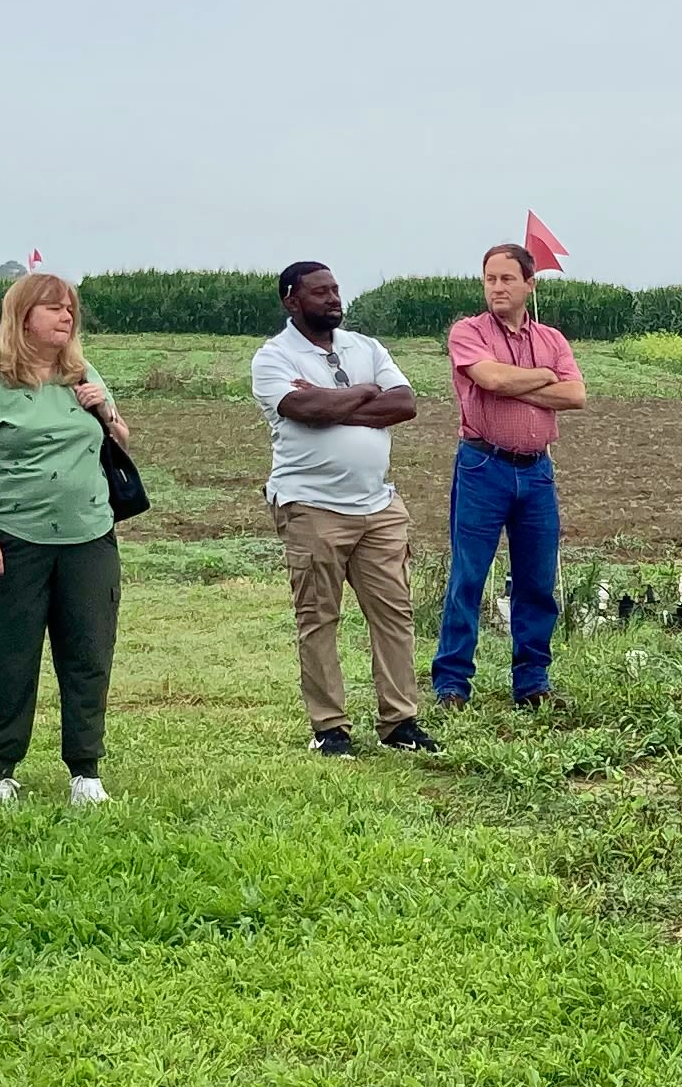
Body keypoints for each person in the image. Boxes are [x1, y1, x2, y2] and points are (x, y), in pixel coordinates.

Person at [0, 271, 140, 804]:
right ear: (24, 317)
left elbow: (121, 439)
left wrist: (104, 408)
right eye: (54, 308)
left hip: (89, 537)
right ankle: (0, 769)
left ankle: (86, 770)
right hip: (14, 537)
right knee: (10, 655)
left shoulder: (80, 373)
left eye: (70, 309)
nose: (66, 317)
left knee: (88, 652)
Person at [251, 262, 436, 758]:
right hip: (311, 507)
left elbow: (404, 404)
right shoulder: (272, 357)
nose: (334, 299)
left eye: (335, 290)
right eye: (320, 292)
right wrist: (359, 394)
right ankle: (330, 728)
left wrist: (334, 402)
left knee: (394, 615)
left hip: (379, 506)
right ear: (292, 300)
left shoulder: (366, 347)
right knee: (318, 617)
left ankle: (400, 723)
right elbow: (304, 411)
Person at [434, 240, 586, 710]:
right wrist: (544, 377)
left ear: (528, 284)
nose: (497, 288)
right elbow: (492, 381)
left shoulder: (552, 339)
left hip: (537, 471)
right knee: (468, 575)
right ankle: (452, 684)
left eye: (506, 279)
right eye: (490, 279)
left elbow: (577, 395)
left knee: (536, 580)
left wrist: (520, 381)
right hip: (483, 465)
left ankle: (532, 682)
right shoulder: (467, 332)